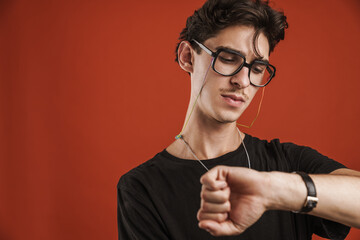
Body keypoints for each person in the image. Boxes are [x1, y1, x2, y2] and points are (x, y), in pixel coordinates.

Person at [117, 0, 360, 239]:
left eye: (256, 68)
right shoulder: (142, 188)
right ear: (187, 57)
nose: (243, 81)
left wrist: (275, 191)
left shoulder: (286, 162)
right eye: (229, 58)